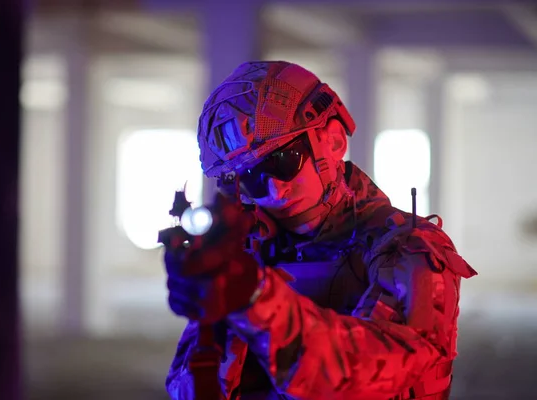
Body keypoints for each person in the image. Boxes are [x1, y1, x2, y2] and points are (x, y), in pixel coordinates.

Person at [163, 61, 477, 400]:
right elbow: (187, 388)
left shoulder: (410, 248)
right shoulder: (249, 249)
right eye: (252, 176)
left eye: (284, 160)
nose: (274, 191)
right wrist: (216, 310)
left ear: (334, 142)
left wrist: (255, 299)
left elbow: (367, 375)